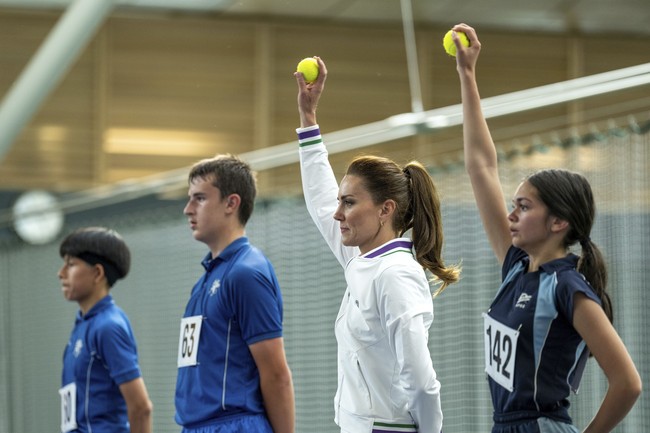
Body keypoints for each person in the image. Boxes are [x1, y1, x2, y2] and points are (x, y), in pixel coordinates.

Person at [452, 23, 642, 433]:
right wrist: (467, 75)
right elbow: (481, 166)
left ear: (558, 222)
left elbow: (628, 383)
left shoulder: (568, 288)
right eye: (513, 205)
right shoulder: (518, 266)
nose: (511, 215)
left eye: (524, 206)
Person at [295, 57, 460, 433]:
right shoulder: (360, 258)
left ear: (386, 209)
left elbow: (422, 381)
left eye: (349, 203)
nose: (337, 213)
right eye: (341, 201)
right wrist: (308, 118)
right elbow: (320, 199)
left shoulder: (396, 274)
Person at [174, 154, 295, 433]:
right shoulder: (206, 280)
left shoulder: (246, 273)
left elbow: (276, 374)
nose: (188, 209)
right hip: (197, 426)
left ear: (231, 203)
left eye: (200, 198)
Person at [58, 227, 153, 433]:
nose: (61, 273)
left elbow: (141, 407)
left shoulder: (108, 327)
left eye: (71, 264)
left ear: (97, 273)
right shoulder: (82, 326)